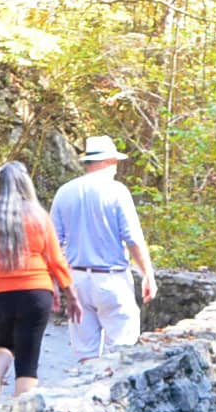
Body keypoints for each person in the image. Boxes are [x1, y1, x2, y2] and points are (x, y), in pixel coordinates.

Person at [0, 160, 77, 397]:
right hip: (35, 293)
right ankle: (21, 404)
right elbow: (56, 260)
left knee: (2, 343)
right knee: (28, 357)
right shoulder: (39, 216)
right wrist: (71, 295)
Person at [49, 135, 157, 367]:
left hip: (76, 280)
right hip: (111, 279)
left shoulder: (64, 192)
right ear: (107, 161)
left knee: (85, 351)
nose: (117, 168)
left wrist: (54, 281)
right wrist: (147, 273)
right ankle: (110, 388)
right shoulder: (117, 191)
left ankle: (88, 385)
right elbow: (132, 238)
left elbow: (53, 243)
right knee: (121, 348)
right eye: (115, 162)